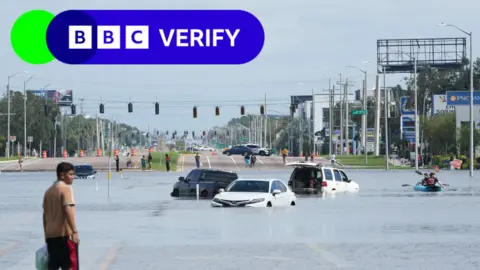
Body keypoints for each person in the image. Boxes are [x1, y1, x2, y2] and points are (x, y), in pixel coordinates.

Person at [43, 162, 79, 270]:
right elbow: (68, 210)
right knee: (70, 266)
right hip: (65, 237)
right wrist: (74, 231)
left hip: (51, 237)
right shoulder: (66, 189)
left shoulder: (48, 192)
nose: (73, 177)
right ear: (62, 175)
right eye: (71, 174)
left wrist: (46, 235)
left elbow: (45, 216)